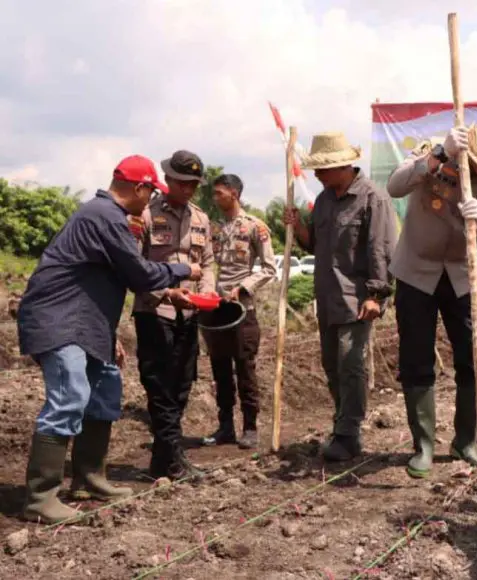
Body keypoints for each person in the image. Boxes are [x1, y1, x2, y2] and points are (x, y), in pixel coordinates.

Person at [16, 155, 200, 523]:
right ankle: (39, 497)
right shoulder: (104, 215)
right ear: (139, 188)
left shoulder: (106, 217)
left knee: (103, 391)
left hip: (88, 322)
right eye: (151, 193)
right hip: (59, 320)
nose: (150, 201)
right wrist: (184, 269)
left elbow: (116, 277)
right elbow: (140, 274)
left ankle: (88, 478)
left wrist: (164, 296)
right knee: (69, 397)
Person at [386, 112, 477, 478]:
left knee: (473, 357)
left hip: (463, 277)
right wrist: (437, 155)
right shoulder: (436, 154)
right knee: (416, 358)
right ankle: (424, 446)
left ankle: (465, 441)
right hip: (416, 272)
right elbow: (395, 186)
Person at [284, 132, 397, 461]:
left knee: (350, 363)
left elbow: (381, 249)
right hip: (328, 297)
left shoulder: (372, 198)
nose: (316, 175)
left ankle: (348, 434)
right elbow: (316, 247)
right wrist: (298, 228)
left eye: (322, 169)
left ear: (342, 166)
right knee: (332, 364)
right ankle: (342, 423)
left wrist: (376, 294)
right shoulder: (323, 200)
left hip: (357, 299)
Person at [131, 150, 216, 480]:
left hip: (189, 312)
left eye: (194, 184)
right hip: (156, 311)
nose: (189, 190)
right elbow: (135, 267)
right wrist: (164, 293)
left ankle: (163, 460)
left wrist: (207, 290)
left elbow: (207, 262)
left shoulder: (200, 218)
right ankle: (172, 459)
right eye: (183, 183)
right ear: (168, 180)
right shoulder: (146, 216)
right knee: (160, 388)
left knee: (181, 386)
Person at [200, 173, 276, 450]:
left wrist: (243, 287)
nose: (215, 198)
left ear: (234, 193)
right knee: (220, 370)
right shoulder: (213, 228)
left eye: (219, 193)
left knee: (245, 369)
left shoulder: (255, 226)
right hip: (215, 309)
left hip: (243, 310)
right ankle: (225, 427)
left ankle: (250, 427)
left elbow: (269, 268)